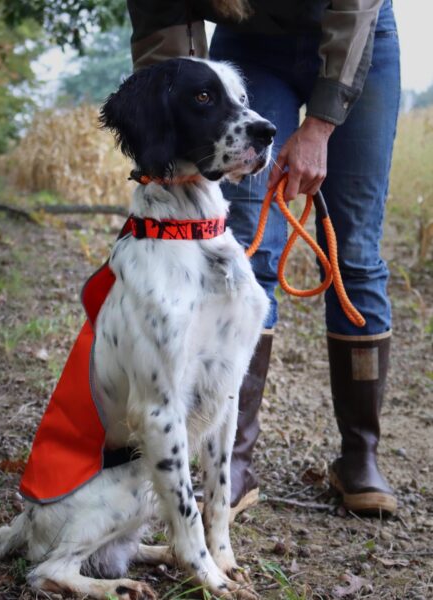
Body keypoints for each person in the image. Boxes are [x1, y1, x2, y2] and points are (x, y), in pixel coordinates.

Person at [125, 0, 400, 516]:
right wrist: (172, 149)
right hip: (249, 46)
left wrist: (319, 128)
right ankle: (233, 466)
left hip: (357, 35)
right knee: (249, 250)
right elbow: (163, 35)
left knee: (355, 253)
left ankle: (361, 457)